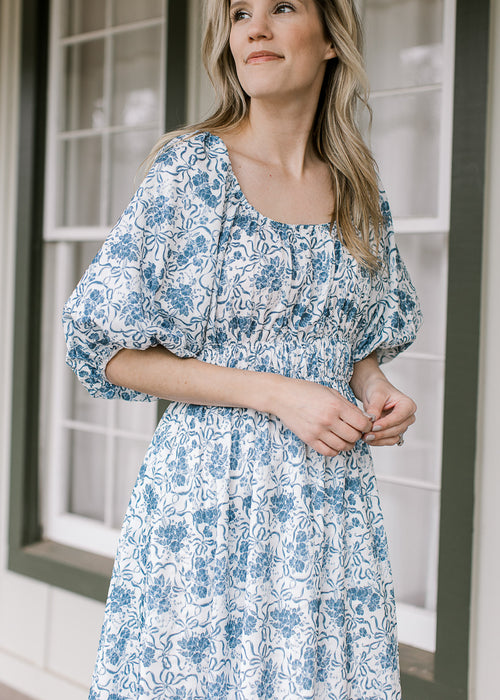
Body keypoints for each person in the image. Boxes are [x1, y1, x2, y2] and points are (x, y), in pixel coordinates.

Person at [63, 0, 422, 697]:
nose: (253, 27)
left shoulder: (358, 188)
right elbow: (101, 350)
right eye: (238, 13)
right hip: (206, 506)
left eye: (280, 7)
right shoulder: (191, 173)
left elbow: (355, 339)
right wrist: (278, 392)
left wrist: (374, 386)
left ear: (329, 40)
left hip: (326, 511)